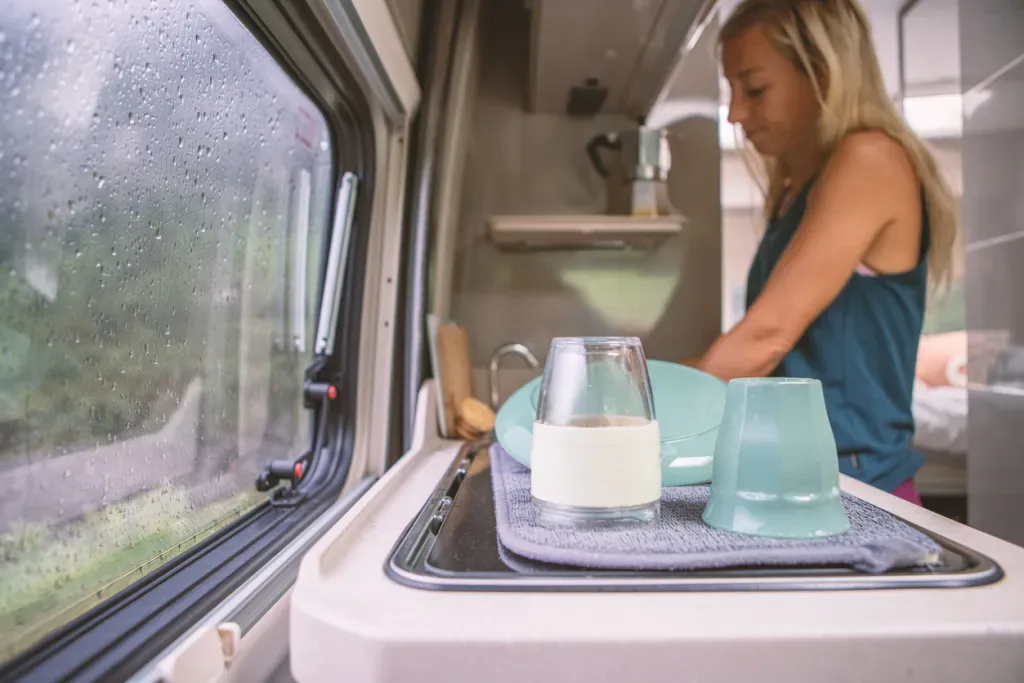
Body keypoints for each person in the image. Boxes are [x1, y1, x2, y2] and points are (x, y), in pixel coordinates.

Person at [688, 0, 958, 504]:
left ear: (822, 73)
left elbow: (766, 338)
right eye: (732, 90)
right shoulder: (797, 190)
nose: (734, 111)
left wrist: (632, 417)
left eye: (754, 88)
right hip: (811, 485)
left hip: (860, 493)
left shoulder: (869, 160)